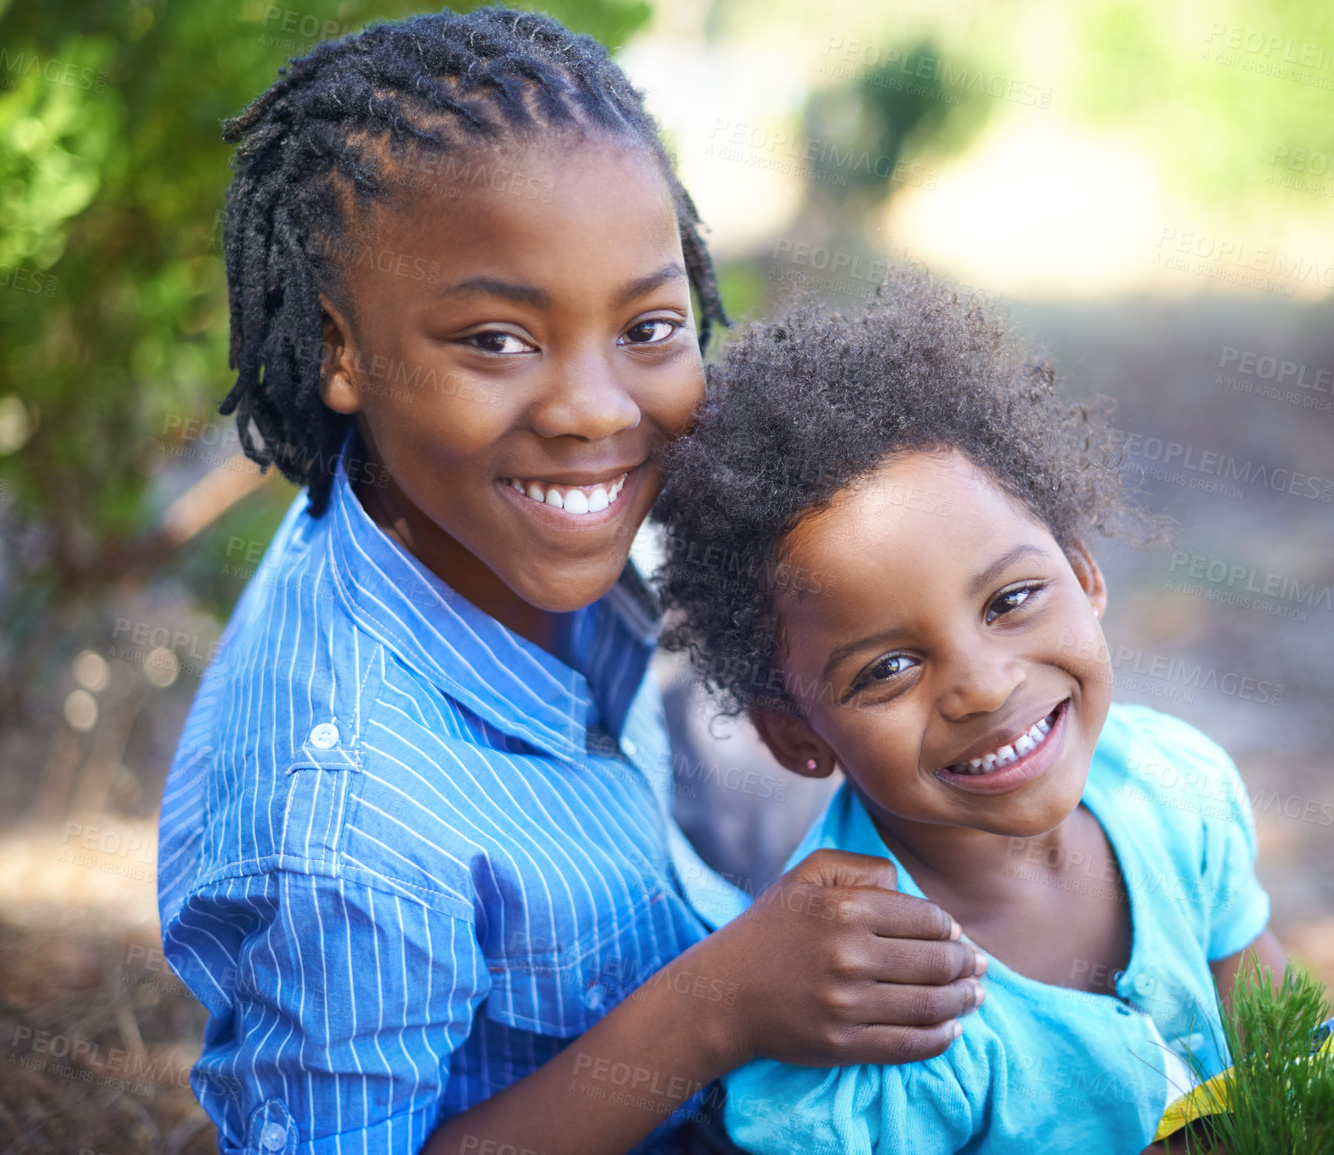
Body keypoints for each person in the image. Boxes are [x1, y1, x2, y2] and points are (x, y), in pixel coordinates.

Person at [156, 14, 986, 1154]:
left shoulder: (465, 515)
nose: (598, 409)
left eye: (649, 325)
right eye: (498, 340)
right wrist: (712, 1010)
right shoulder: (347, 832)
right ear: (341, 352)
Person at [652, 268, 1290, 1154]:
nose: (984, 686)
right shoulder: (860, 1006)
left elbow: (1292, 1074)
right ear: (796, 734)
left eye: (1010, 599)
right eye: (889, 667)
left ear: (1084, 572)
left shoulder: (1174, 788)